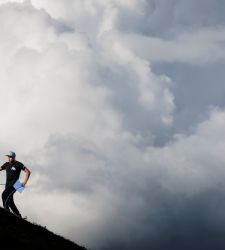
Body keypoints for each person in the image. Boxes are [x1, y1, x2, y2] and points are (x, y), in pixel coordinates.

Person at [0, 151, 31, 217]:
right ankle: (18, 215)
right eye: (8, 157)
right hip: (7, 184)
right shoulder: (6, 164)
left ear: (14, 157)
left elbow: (28, 172)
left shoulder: (18, 164)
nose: (9, 158)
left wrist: (24, 182)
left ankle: (6, 212)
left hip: (16, 184)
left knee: (4, 195)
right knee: (10, 200)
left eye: (10, 157)